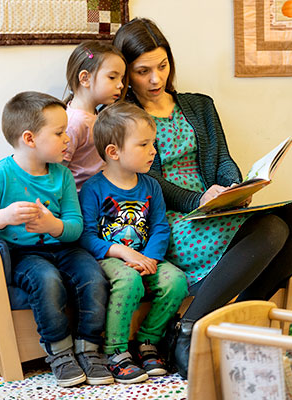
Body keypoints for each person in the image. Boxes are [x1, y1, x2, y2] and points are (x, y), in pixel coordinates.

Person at [113, 18, 292, 378]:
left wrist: (234, 187)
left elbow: (223, 160)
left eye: (162, 66)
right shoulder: (124, 118)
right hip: (172, 219)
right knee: (271, 229)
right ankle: (188, 329)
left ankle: (235, 320)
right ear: (127, 74)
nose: (155, 79)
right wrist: (198, 201)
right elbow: (148, 180)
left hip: (214, 210)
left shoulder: (199, 106)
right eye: (142, 71)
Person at [0, 91, 113, 387]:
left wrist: (53, 224)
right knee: (46, 279)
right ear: (30, 139)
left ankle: (89, 348)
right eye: (59, 133)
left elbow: (75, 227)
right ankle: (59, 352)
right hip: (24, 254)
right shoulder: (0, 175)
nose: (67, 139)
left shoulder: (61, 176)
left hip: (65, 248)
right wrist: (4, 217)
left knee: (93, 275)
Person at [79, 101, 189, 383]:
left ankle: (146, 342)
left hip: (145, 257)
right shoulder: (93, 188)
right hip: (110, 258)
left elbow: (160, 227)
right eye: (144, 145)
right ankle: (115, 351)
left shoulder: (151, 185)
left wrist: (151, 257)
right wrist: (121, 251)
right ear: (114, 152)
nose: (154, 151)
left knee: (176, 280)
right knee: (128, 281)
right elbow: (86, 235)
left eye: (153, 143)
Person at [63, 41, 127, 191]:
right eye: (112, 77)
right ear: (85, 78)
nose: (121, 85)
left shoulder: (95, 115)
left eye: (122, 79)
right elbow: (58, 170)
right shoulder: (74, 122)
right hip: (81, 199)